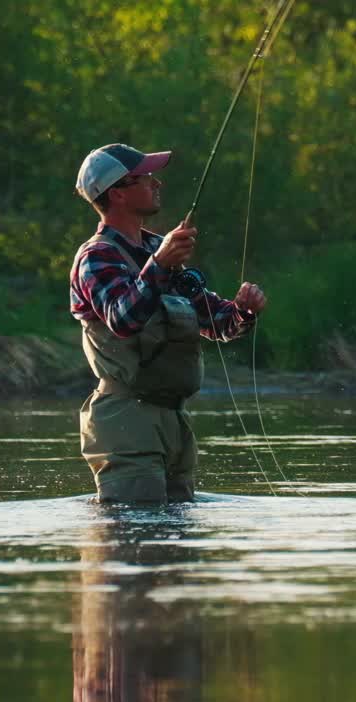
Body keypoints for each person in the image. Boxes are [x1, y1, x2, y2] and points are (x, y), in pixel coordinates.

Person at [70, 143, 267, 503]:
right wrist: (158, 265)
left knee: (177, 548)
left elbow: (217, 322)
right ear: (118, 193)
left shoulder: (159, 249)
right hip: (126, 420)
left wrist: (243, 311)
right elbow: (122, 319)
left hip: (174, 422)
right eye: (146, 178)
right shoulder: (95, 257)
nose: (157, 183)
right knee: (134, 539)